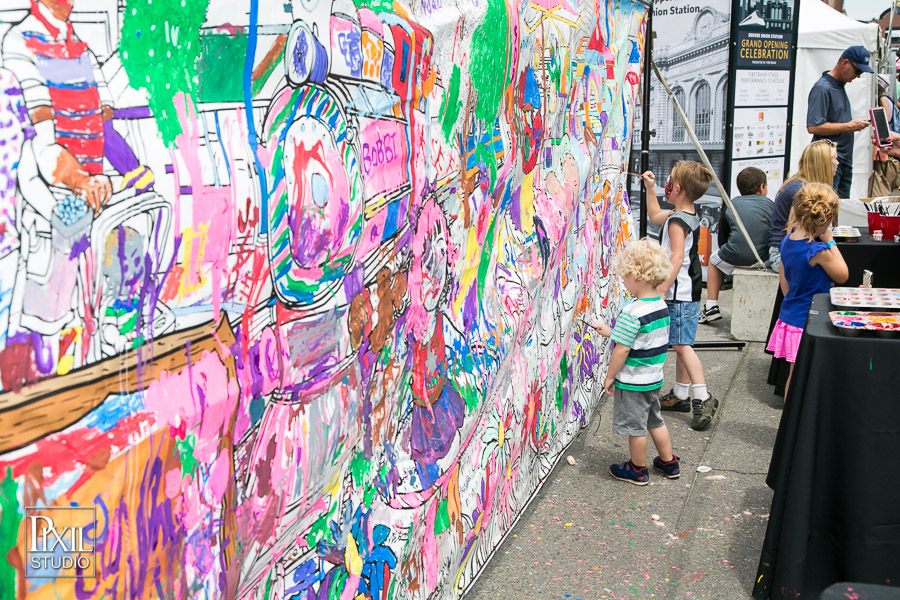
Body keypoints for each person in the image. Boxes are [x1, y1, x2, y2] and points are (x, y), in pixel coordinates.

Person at [593, 239, 680, 486]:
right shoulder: (660, 306)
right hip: (653, 379)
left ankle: (637, 469)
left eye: (625, 277)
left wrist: (610, 376)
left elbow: (623, 349)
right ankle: (668, 462)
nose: (623, 282)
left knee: (636, 428)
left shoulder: (632, 311)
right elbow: (640, 339)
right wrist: (610, 331)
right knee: (655, 420)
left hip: (633, 382)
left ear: (635, 276)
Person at [642, 162, 718, 431]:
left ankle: (703, 396)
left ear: (680, 189)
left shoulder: (677, 221)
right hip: (687, 292)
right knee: (681, 343)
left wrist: (661, 289)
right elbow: (653, 215)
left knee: (683, 346)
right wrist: (650, 189)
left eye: (670, 181)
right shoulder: (683, 214)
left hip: (678, 294)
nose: (666, 185)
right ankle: (681, 393)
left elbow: (676, 256)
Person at [766, 182, 848, 399]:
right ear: (826, 219)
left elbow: (785, 283)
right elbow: (842, 274)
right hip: (809, 321)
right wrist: (831, 242)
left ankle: (789, 420)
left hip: (791, 315)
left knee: (794, 375)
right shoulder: (817, 250)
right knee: (807, 376)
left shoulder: (787, 240)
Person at [699, 167, 773, 324]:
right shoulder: (770, 204)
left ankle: (711, 306)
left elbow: (723, 237)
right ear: (762, 186)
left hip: (735, 256)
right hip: (763, 258)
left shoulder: (732, 204)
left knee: (713, 260)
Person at [806, 45, 873, 199]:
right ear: (845, 63)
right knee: (828, 207)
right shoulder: (823, 88)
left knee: (842, 209)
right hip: (827, 163)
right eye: (857, 71)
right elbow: (813, 126)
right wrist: (849, 126)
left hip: (842, 161)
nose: (858, 76)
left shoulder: (838, 86)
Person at [767, 140, 838, 273]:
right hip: (782, 255)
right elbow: (792, 231)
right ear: (824, 163)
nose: (838, 163)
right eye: (835, 158)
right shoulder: (800, 189)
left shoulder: (802, 184)